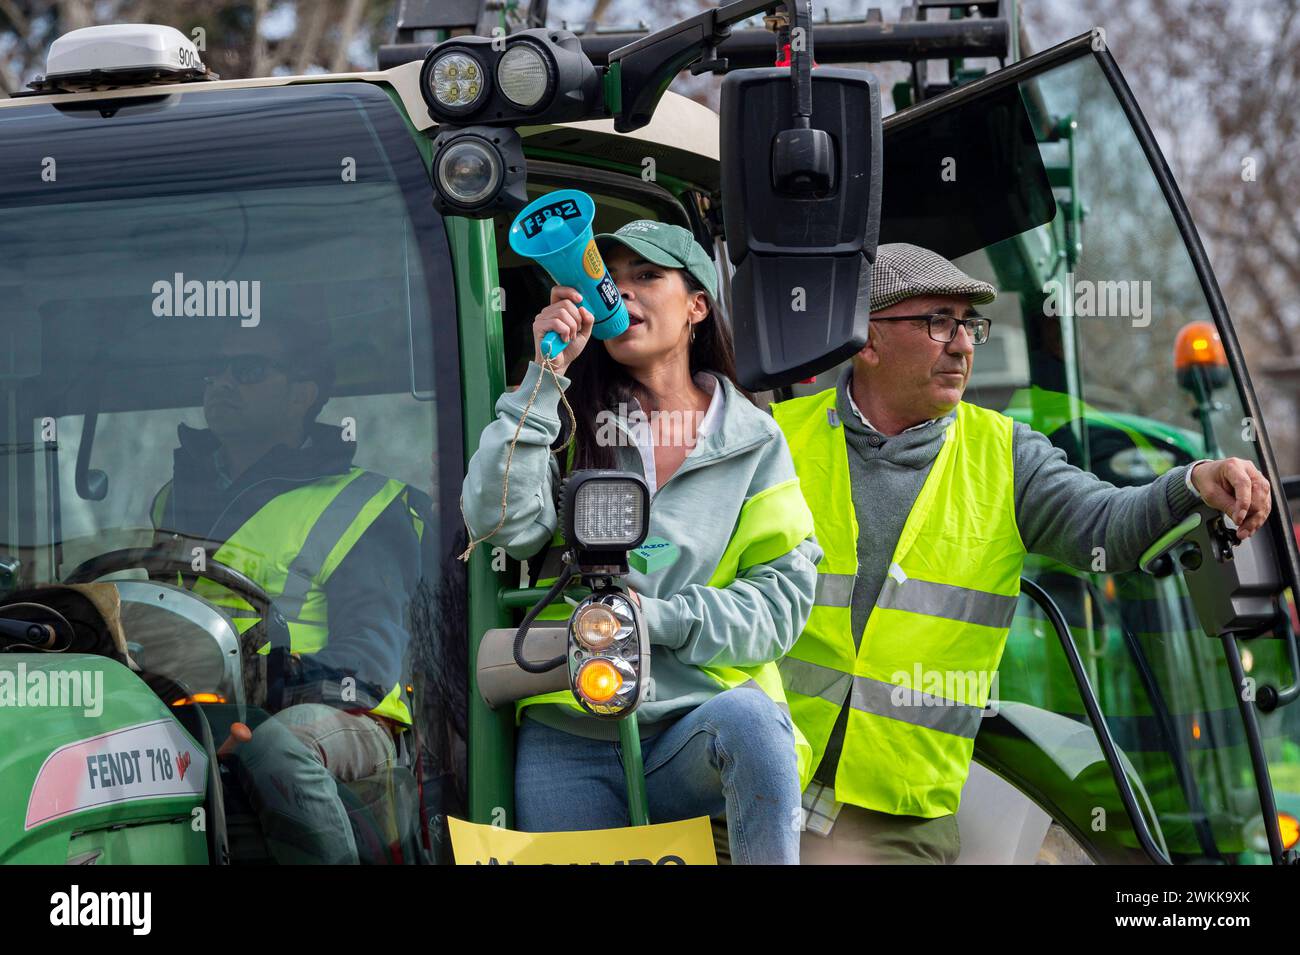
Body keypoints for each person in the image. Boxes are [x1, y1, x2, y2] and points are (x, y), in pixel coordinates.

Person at [772, 242, 1272, 864]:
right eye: (937, 322)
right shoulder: (775, 440)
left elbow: (1105, 526)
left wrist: (1192, 482)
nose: (962, 344)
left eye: (968, 324)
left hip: (897, 819)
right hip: (755, 779)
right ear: (866, 340)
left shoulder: (1008, 456)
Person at [462, 220, 822, 864]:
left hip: (695, 719)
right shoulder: (566, 415)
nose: (619, 293)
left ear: (697, 306)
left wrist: (654, 619)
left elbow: (781, 604)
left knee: (755, 724)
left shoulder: (756, 439)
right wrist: (543, 379)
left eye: (646, 277)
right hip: (569, 725)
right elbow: (501, 528)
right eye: (605, 278)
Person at [150, 319, 431, 864]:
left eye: (247, 370)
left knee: (275, 746)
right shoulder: (172, 500)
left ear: (302, 394)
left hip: (344, 714)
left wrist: (259, 692)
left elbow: (371, 658)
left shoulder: (364, 504)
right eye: (214, 371)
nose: (222, 384)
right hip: (201, 705)